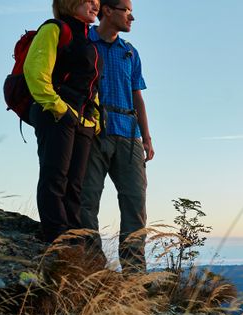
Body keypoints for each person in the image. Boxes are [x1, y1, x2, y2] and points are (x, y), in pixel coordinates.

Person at [80, 0, 153, 272]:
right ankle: (92, 270)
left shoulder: (130, 53)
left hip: (129, 134)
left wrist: (146, 137)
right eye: (127, 11)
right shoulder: (83, 42)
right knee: (86, 202)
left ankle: (135, 277)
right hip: (93, 132)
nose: (132, 18)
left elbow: (137, 96)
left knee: (135, 206)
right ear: (107, 10)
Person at [25, 0, 101, 245]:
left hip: (81, 120)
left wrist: (95, 120)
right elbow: (35, 72)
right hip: (55, 114)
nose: (96, 4)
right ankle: (56, 241)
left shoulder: (87, 40)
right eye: (89, 0)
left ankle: (74, 242)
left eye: (97, 1)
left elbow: (90, 84)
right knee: (55, 177)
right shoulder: (54, 29)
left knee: (74, 185)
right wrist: (60, 109)